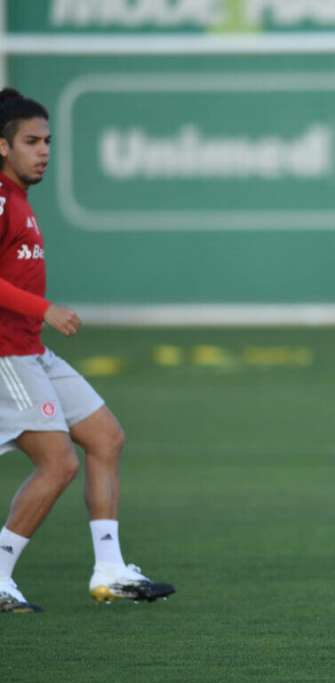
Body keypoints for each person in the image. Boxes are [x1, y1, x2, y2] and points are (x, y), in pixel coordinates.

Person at [0, 88, 174, 613]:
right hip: (6, 355)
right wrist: (43, 307)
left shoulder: (20, 201)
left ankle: (109, 570)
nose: (44, 151)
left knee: (105, 437)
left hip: (31, 348)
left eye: (48, 140)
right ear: (2, 146)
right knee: (58, 464)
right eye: (31, 141)